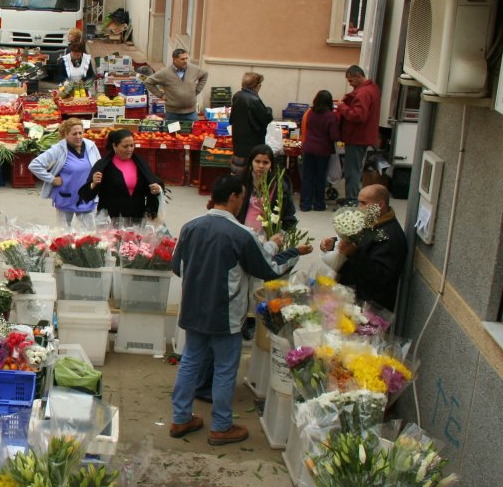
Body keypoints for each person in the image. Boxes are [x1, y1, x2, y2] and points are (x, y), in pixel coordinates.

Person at [169, 174, 309, 446]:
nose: (242, 202)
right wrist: (292, 252)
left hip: (193, 309)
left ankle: (180, 417)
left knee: (190, 362)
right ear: (233, 197)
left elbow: (177, 266)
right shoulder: (241, 234)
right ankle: (221, 426)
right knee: (224, 368)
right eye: (242, 197)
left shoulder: (190, 227)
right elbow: (267, 268)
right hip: (225, 313)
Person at [319, 184, 406, 311]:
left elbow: (380, 276)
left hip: (368, 307)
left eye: (363, 203)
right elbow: (356, 240)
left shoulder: (389, 236)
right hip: (352, 296)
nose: (359, 208)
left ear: (380, 205)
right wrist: (333, 243)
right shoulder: (372, 220)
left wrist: (354, 253)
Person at [29, 118, 104, 228]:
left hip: (87, 196)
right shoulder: (58, 149)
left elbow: (99, 165)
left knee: (89, 234)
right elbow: (34, 165)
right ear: (65, 134)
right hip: (66, 196)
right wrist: (52, 179)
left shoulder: (91, 146)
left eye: (80, 133)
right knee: (64, 234)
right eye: (74, 134)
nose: (78, 137)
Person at [79, 128, 164, 222]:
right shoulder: (103, 166)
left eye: (132, 145)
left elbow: (152, 183)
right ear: (114, 146)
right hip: (111, 219)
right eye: (125, 146)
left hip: (137, 218)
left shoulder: (140, 163)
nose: (130, 149)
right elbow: (86, 195)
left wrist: (157, 189)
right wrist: (93, 184)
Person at [337, 65, 381, 206]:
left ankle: (352, 200)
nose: (350, 84)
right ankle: (352, 196)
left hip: (356, 137)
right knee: (355, 168)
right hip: (363, 136)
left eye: (351, 80)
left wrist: (342, 106)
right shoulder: (372, 89)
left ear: (358, 76)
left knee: (352, 170)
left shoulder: (362, 93)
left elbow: (357, 115)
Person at [235, 144, 297, 234]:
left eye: (265, 163)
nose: (261, 166)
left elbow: (289, 214)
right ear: (251, 162)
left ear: (271, 164)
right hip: (242, 234)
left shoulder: (280, 186)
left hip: (268, 237)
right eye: (257, 161)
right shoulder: (241, 182)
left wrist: (282, 234)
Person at [144, 49, 209, 128]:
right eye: (182, 59)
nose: (185, 61)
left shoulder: (193, 69)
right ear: (174, 60)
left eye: (186, 58)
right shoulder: (165, 73)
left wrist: (197, 90)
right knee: (173, 136)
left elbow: (205, 74)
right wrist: (161, 95)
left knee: (193, 134)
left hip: (191, 113)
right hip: (173, 114)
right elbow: (148, 82)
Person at [300, 90, 340, 211]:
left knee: (307, 176)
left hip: (308, 148)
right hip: (323, 150)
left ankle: (305, 204)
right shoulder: (331, 116)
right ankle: (319, 204)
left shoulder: (311, 112)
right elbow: (334, 136)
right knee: (320, 177)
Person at [230, 72, 273, 172]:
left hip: (239, 143)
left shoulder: (237, 95)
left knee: (238, 174)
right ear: (257, 86)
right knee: (249, 174)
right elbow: (265, 118)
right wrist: (269, 110)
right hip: (252, 144)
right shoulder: (254, 99)